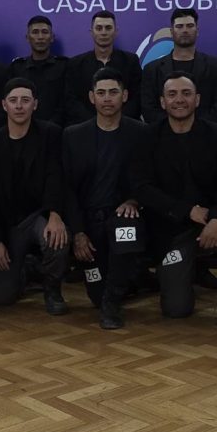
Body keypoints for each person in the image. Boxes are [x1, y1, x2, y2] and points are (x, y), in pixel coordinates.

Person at [131, 72, 217, 337]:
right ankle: (187, 271)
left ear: (197, 99)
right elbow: (142, 188)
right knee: (176, 309)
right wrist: (186, 211)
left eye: (186, 94)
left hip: (215, 221)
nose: (179, 100)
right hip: (173, 228)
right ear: (162, 102)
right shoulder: (147, 136)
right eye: (172, 94)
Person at [63, 67, 149, 329]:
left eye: (113, 92)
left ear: (125, 96)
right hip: (88, 222)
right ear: (92, 98)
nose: (107, 98)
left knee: (127, 230)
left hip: (122, 215)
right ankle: (126, 283)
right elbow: (67, 189)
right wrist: (78, 233)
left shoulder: (141, 133)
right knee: (96, 295)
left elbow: (149, 178)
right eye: (101, 93)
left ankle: (113, 305)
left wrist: (134, 200)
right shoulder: (73, 135)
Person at [0, 78, 71, 313]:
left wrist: (55, 215)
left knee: (57, 237)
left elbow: (56, 177)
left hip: (38, 215)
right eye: (13, 100)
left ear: (35, 104)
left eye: (25, 100)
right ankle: (28, 269)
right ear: (4, 105)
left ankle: (52, 289)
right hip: (7, 223)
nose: (19, 106)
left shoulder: (51, 134)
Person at [140, 9, 217, 124]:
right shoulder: (152, 69)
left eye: (190, 26)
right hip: (163, 133)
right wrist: (172, 128)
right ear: (171, 32)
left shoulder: (215, 66)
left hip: (206, 132)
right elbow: (148, 108)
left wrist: (197, 128)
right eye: (179, 26)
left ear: (197, 30)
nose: (185, 30)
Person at [65, 11, 142, 124]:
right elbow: (71, 100)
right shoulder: (76, 64)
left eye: (108, 28)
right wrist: (95, 123)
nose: (104, 32)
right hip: (85, 127)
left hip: (124, 126)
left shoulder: (130, 61)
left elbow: (137, 97)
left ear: (115, 32)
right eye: (99, 28)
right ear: (92, 32)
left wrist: (116, 122)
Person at [9, 15, 69, 126]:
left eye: (45, 32)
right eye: (35, 32)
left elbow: (67, 102)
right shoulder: (17, 68)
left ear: (52, 37)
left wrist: (51, 126)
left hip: (57, 128)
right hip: (24, 128)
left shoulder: (64, 66)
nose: (40, 37)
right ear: (27, 37)